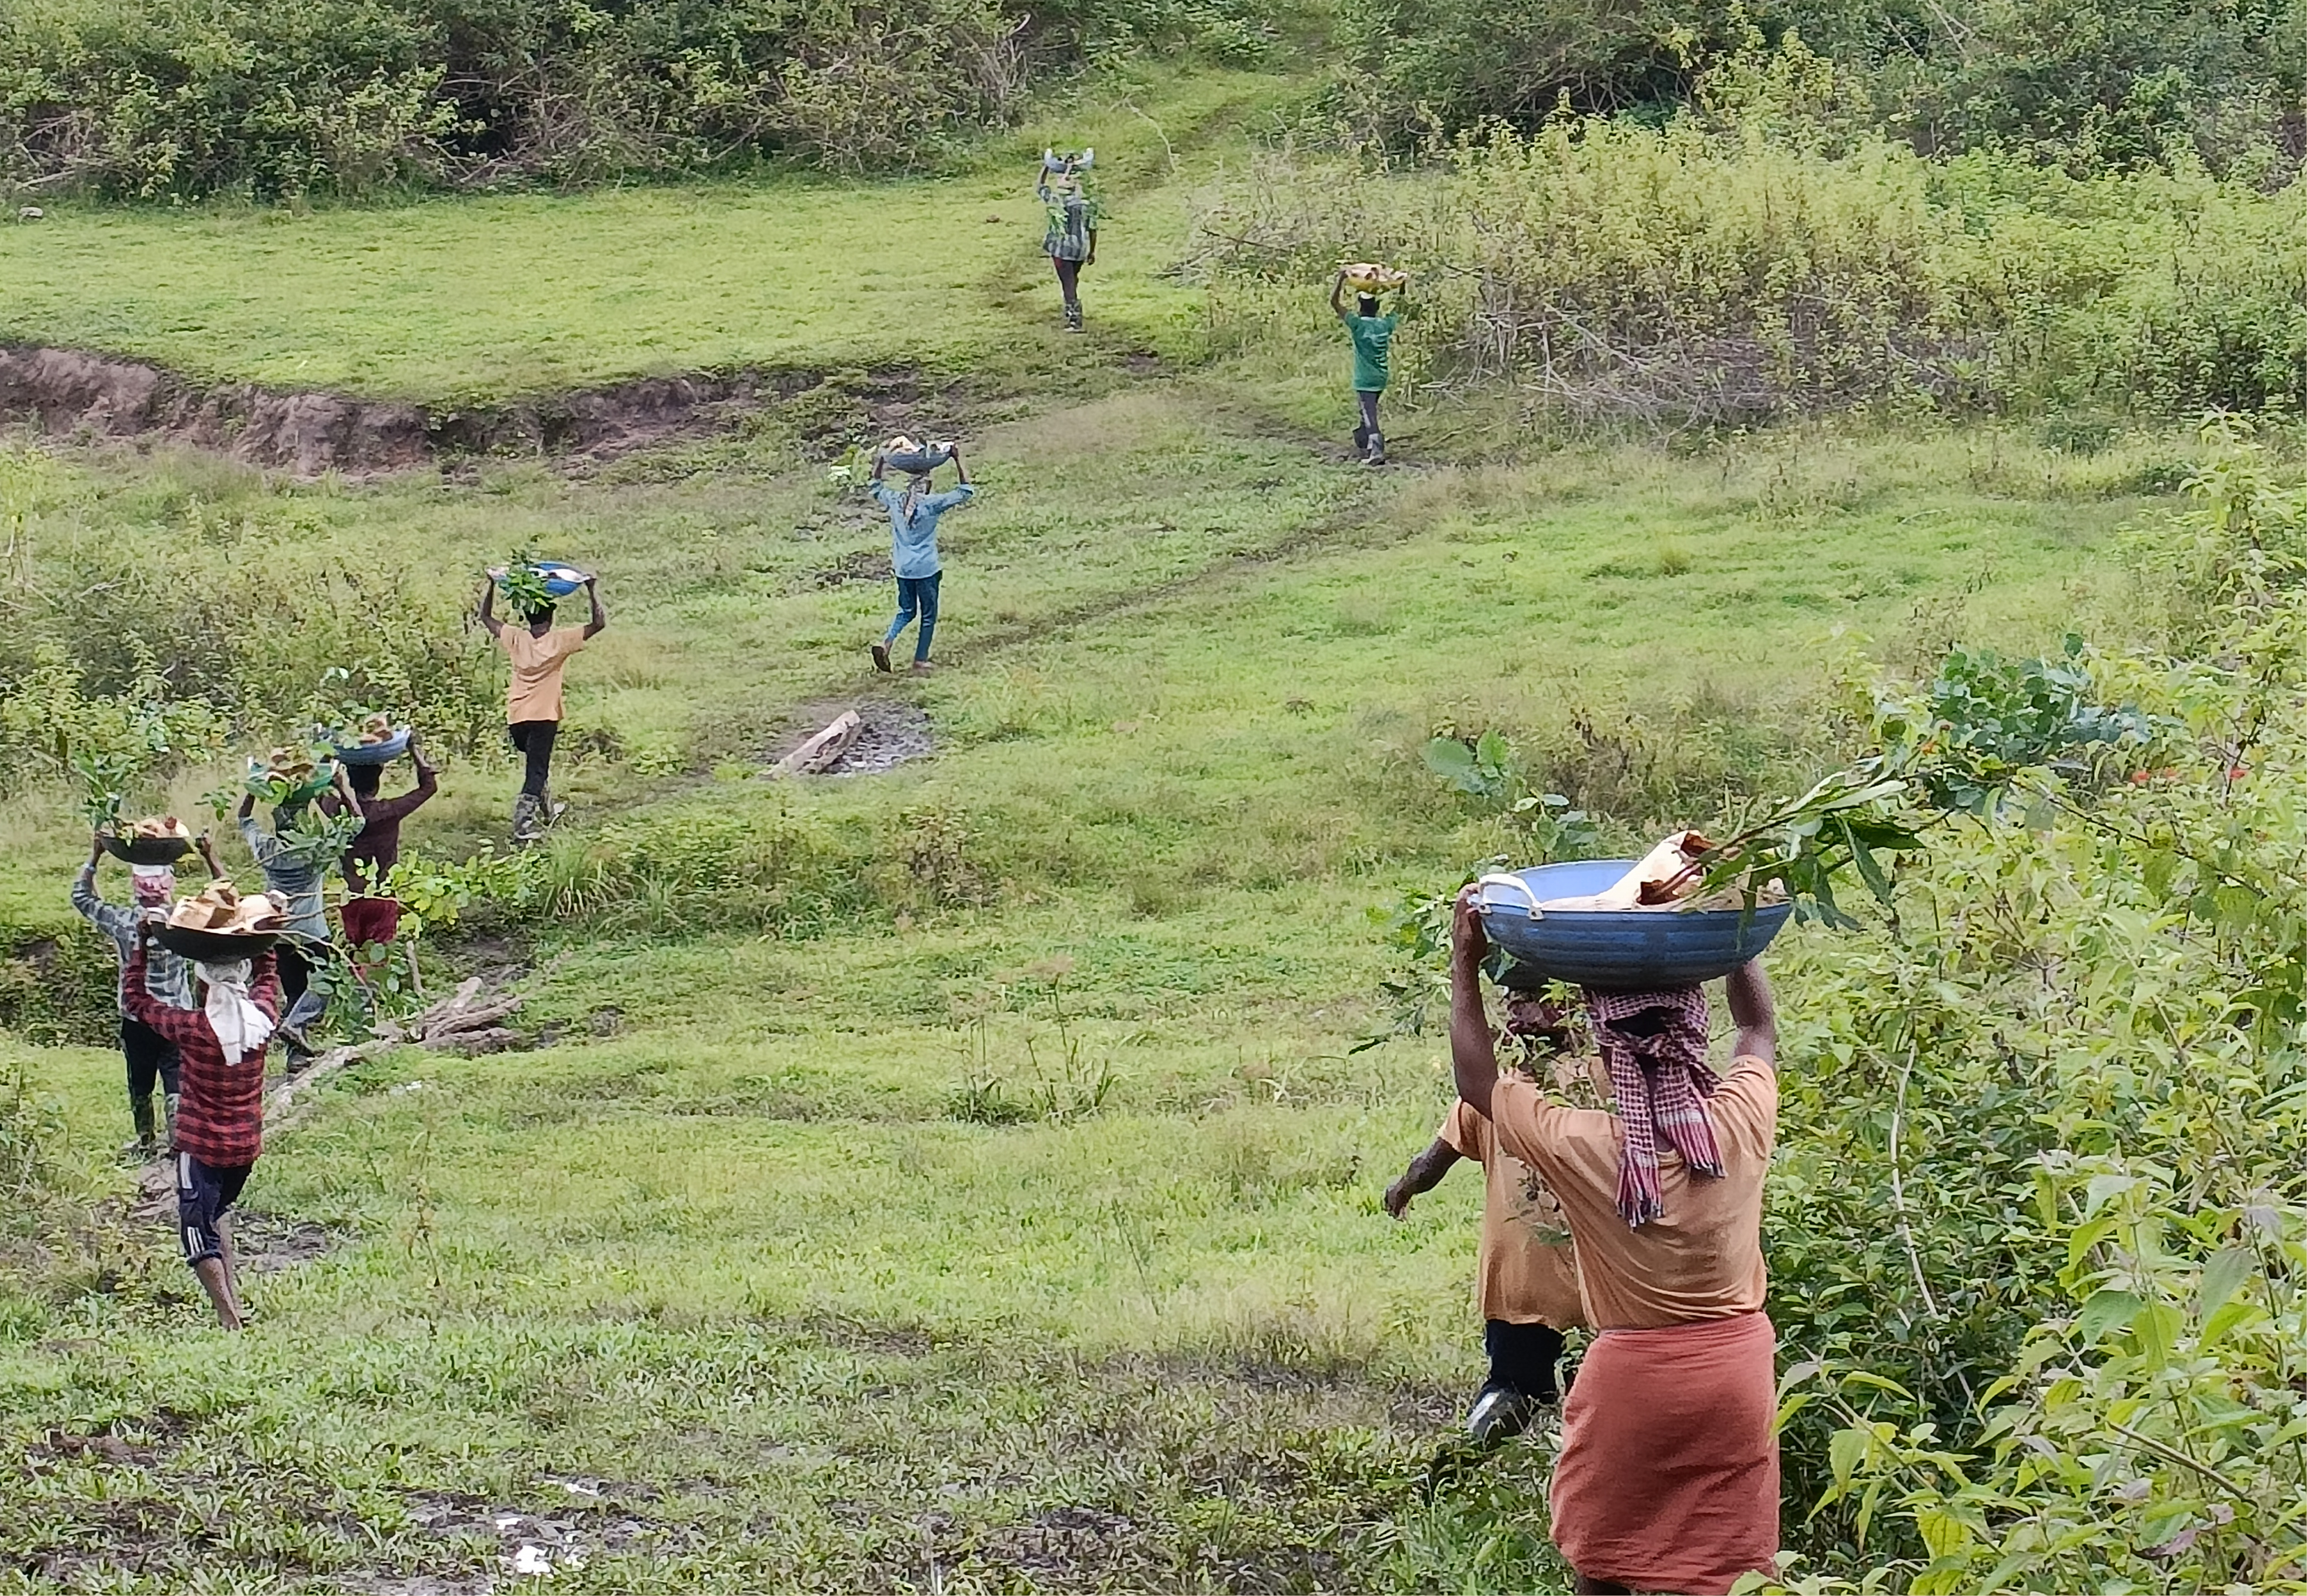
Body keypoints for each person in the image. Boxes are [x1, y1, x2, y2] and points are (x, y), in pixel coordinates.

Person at [1449, 888, 1781, 1596]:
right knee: (1720, 1565)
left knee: (1604, 1558)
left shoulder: (1584, 1144)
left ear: (1605, 1041)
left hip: (1634, 1374)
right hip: (1737, 1372)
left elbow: (1478, 1083)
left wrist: (1465, 961)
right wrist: (1739, 934)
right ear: (1694, 1028)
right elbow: (1756, 1031)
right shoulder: (1739, 1124)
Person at [1386, 988, 1589, 1442]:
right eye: (1513, 999)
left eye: (1530, 998)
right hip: (1596, 1285)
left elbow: (1430, 1164)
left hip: (1518, 1282)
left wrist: (1401, 1189)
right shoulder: (1605, 1084)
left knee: (1513, 1390)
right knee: (1592, 1398)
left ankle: (1460, 1466)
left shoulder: (1497, 1090)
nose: (1517, 1009)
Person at [123, 925, 280, 1332]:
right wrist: (264, 934)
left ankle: (229, 1319)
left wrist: (140, 944)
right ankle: (237, 1303)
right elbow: (268, 978)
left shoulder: (194, 1029)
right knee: (219, 1214)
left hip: (202, 1148)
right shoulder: (262, 1020)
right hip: (245, 1148)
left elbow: (136, 1001)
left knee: (197, 1234)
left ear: (203, 983)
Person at [71, 831, 222, 1158]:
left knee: (139, 1079)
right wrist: (209, 857)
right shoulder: (183, 920)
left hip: (136, 1015)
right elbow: (226, 899)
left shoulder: (124, 921)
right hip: (176, 1014)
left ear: (136, 888)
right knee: (176, 1075)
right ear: (169, 886)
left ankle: (145, 1141)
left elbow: (82, 898)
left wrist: (96, 856)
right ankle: (178, 1141)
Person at [479, 572, 607, 843]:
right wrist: (591, 589)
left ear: (527, 618)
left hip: (517, 716)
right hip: (544, 716)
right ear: (551, 618)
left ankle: (549, 810)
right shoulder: (559, 642)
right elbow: (598, 623)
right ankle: (522, 825)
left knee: (537, 764)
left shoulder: (516, 638)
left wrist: (491, 585)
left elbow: (487, 618)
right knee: (536, 770)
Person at [236, 775, 352, 1069]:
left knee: (295, 992)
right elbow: (356, 823)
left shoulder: (267, 847)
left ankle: (295, 1056)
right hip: (312, 932)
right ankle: (296, 1030)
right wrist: (338, 787)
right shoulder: (317, 850)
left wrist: (253, 789)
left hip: (281, 933)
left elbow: (243, 818)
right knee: (330, 980)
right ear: (305, 824)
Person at [321, 734, 438, 971]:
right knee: (378, 962)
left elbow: (317, 790)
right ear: (378, 782)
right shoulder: (390, 811)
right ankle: (372, 1001)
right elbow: (429, 787)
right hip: (383, 897)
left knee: (354, 956)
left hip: (351, 898)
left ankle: (355, 997)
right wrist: (413, 749)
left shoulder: (338, 810)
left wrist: (326, 755)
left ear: (350, 783)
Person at [869, 444, 974, 674]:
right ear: (926, 487)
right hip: (926, 568)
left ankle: (887, 642)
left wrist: (881, 462)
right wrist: (957, 460)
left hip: (902, 568)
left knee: (906, 610)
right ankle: (920, 660)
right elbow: (966, 491)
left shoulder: (897, 502)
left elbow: (875, 487)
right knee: (928, 613)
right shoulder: (931, 504)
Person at [1332, 270, 1404, 466]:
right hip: (1381, 376)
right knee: (1367, 411)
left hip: (1364, 379)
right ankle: (1362, 440)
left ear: (1360, 308)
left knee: (1369, 415)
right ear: (1377, 307)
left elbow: (1335, 304)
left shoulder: (1357, 325)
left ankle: (1376, 451)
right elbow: (1400, 308)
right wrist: (1402, 285)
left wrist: (1341, 280)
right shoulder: (1383, 325)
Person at [1037, 149, 1099, 333]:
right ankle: (1071, 311)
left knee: (1068, 284)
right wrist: (1092, 251)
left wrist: (1047, 166)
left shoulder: (1056, 200)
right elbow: (1093, 228)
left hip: (1062, 249)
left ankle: (1075, 320)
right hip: (1080, 249)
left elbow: (1040, 186)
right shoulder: (1085, 203)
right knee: (1072, 279)